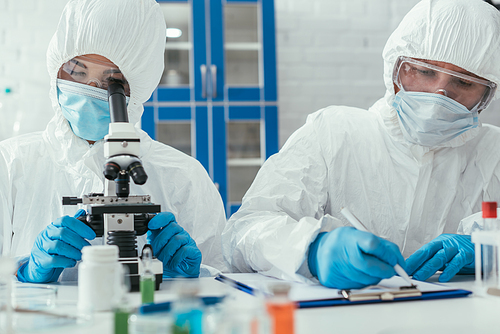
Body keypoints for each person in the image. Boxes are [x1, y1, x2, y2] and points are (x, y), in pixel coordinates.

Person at [222, 0, 500, 289]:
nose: (438, 96)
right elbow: (244, 231)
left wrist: (491, 249)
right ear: (395, 68)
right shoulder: (332, 132)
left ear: (487, 93)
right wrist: (312, 249)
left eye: (464, 83)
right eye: (424, 71)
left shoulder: (494, 152)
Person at [0, 0, 227, 283]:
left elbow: (222, 285)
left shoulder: (185, 176)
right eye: (77, 72)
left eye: (112, 83)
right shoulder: (10, 164)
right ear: (56, 70)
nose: (90, 90)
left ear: (138, 89)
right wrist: (25, 271)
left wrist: (192, 275)